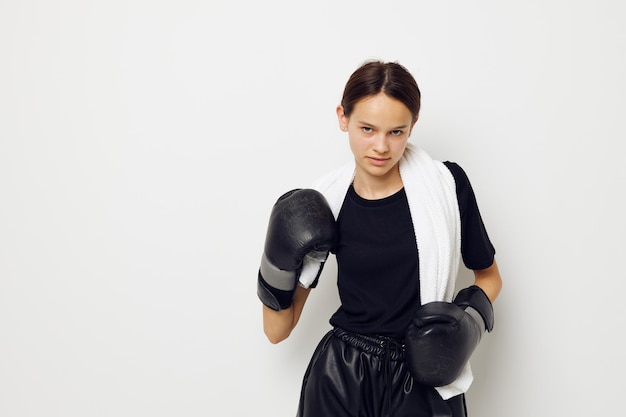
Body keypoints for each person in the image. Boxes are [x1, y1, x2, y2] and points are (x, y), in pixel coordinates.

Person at [257, 60, 503, 417]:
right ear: (343, 117)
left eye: (396, 132)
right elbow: (277, 330)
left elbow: (489, 277)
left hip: (424, 372)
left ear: (413, 125)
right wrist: (275, 261)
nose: (382, 146)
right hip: (342, 374)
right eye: (367, 129)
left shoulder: (446, 187)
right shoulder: (326, 206)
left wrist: (464, 328)